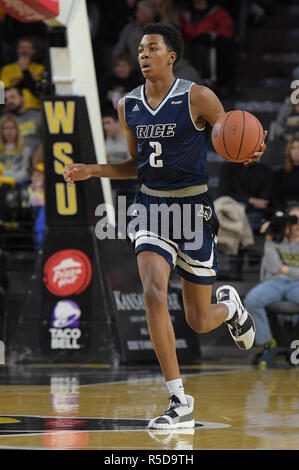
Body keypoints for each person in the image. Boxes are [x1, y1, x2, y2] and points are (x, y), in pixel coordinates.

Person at [64, 23, 266, 430]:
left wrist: (250, 150)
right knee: (154, 292)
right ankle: (179, 400)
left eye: (152, 48)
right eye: (140, 49)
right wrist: (93, 170)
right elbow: (134, 166)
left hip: (192, 210)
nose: (143, 54)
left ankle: (229, 307)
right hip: (149, 207)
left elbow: (233, 136)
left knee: (198, 319)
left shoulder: (198, 96)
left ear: (171, 56)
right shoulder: (128, 105)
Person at [243, 206, 299, 369]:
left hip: (296, 285)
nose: (296, 224)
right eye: (293, 220)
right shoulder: (275, 238)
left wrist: (286, 269)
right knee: (252, 300)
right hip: (274, 283)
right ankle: (267, 343)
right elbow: (274, 267)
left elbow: (280, 268)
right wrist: (270, 235)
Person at [180, 0, 236, 94]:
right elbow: (185, 32)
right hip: (190, 46)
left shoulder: (219, 13)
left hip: (213, 47)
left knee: (222, 45)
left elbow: (226, 32)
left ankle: (220, 82)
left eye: (201, 2)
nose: (198, 2)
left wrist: (211, 36)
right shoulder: (185, 14)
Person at [0, 37, 45, 110]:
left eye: (28, 48)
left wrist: (25, 71)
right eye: (21, 47)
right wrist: (29, 77)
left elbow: (39, 93)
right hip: (12, 110)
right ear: (17, 50)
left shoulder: (39, 68)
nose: (24, 51)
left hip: (34, 108)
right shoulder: (7, 69)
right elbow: (3, 94)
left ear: (34, 51)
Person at [113, 1, 158, 69]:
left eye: (140, 12)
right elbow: (118, 50)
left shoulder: (161, 30)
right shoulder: (130, 29)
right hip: (132, 69)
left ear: (150, 14)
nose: (136, 14)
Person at [4, 87, 42, 154]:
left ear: (22, 98)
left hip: (38, 161)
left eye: (12, 97)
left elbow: (49, 139)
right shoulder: (3, 121)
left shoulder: (38, 116)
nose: (9, 101)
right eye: (6, 99)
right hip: (13, 161)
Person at [0, 114, 31, 187]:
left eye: (11, 128)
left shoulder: (25, 149)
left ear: (17, 130)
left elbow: (25, 173)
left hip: (19, 185)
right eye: (5, 128)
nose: (8, 131)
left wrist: (7, 179)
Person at [271, 136, 299, 210]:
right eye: (293, 148)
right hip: (286, 212)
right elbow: (275, 199)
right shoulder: (280, 174)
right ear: (289, 151)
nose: (296, 151)